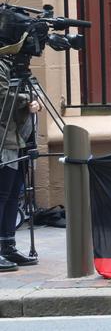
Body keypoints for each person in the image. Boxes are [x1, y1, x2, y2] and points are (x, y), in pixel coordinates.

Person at [0, 55, 40, 271]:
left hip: (19, 139)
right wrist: (26, 100)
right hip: (4, 140)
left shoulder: (14, 64)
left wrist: (34, 99)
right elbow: (2, 100)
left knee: (14, 193)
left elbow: (30, 91)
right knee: (2, 195)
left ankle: (8, 245)